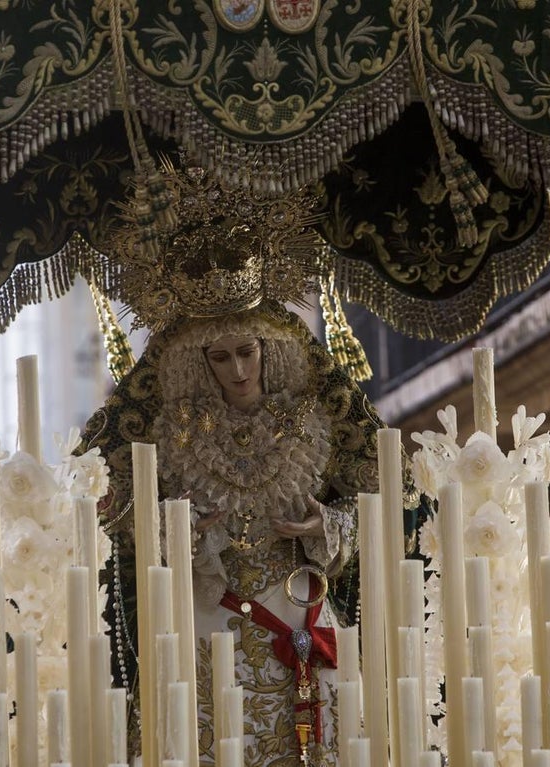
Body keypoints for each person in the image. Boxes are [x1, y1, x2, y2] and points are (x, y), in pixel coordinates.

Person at [81, 164, 419, 766]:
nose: (238, 371)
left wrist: (328, 526)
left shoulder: (317, 416)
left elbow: (385, 494)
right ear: (198, 363)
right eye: (220, 358)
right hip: (212, 623)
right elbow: (110, 508)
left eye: (247, 352)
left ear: (269, 349)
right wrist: (170, 530)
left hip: (301, 611)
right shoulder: (170, 432)